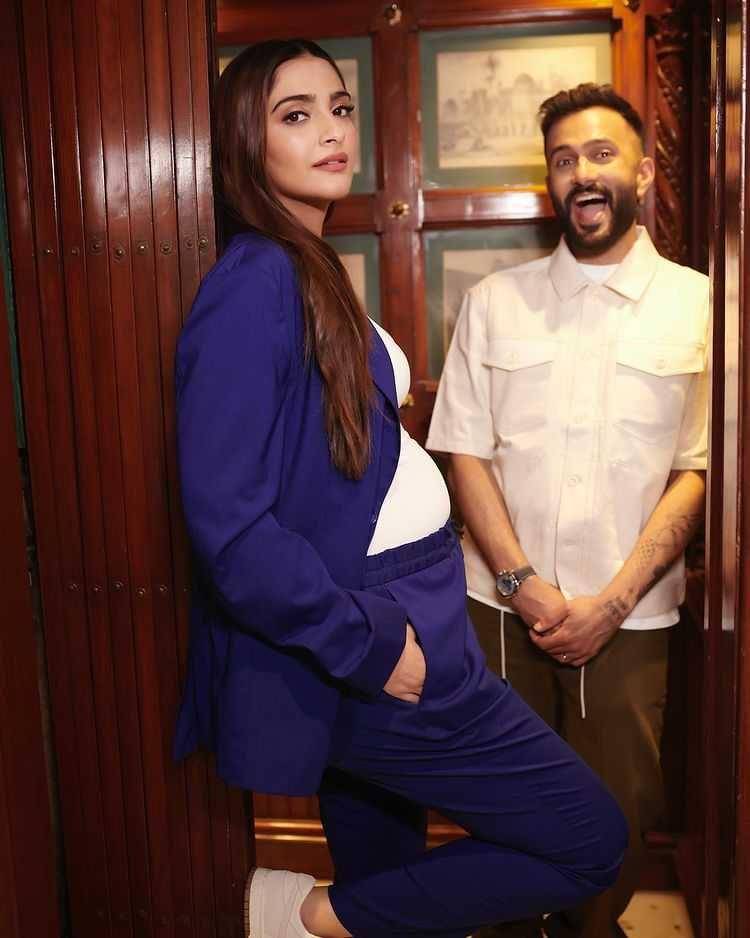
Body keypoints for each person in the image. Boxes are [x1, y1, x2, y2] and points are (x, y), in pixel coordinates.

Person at [173, 47, 627, 938]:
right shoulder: (255, 280)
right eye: (295, 114)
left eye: (339, 108)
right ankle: (301, 918)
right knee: (589, 840)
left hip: (407, 615)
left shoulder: (304, 262)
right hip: (376, 637)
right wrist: (375, 647)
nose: (332, 129)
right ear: (242, 141)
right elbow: (228, 526)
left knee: (386, 879)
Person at [427, 84, 709, 938]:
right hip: (498, 611)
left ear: (643, 173)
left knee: (617, 811)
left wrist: (612, 603)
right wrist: (523, 584)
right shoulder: (494, 302)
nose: (581, 173)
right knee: (499, 806)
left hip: (632, 619)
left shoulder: (703, 305)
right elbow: (465, 451)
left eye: (601, 154)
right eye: (562, 160)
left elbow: (697, 468)